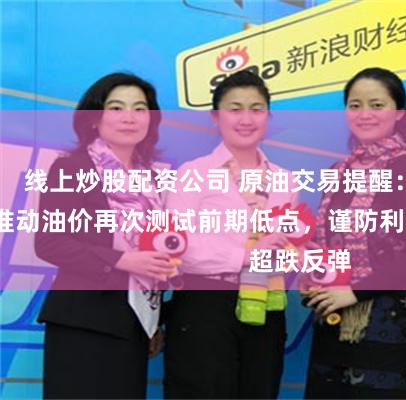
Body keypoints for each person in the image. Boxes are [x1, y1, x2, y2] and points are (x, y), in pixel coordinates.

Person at [301, 67, 406, 399]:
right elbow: (327, 242)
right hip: (331, 319)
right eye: (355, 105)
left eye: (377, 105)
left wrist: (355, 291)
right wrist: (311, 268)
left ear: (399, 112)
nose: (365, 114)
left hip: (385, 325)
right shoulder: (339, 172)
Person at [35, 72, 172, 398]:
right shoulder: (71, 168)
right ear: (94, 118)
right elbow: (50, 242)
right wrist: (123, 260)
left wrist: (155, 319)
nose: (129, 117)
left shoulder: (152, 180)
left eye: (140, 109)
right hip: (84, 318)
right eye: (116, 107)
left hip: (134, 322)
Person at [163, 70, 298, 399]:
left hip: (266, 303)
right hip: (205, 304)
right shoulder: (194, 173)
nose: (246, 119)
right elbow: (177, 245)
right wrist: (247, 255)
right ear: (215, 116)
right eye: (235, 109)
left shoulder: (285, 180)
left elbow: (288, 243)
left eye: (257, 109)